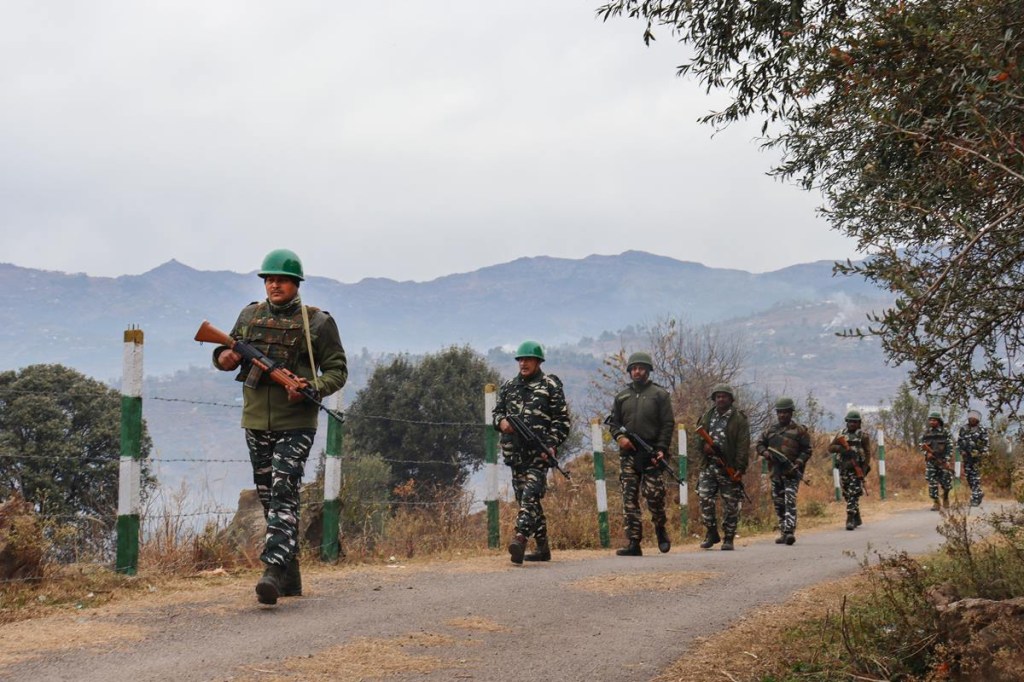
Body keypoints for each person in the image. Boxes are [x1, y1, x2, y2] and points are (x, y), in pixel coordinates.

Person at [213, 249, 348, 605]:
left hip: (297, 421)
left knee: (284, 487)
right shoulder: (249, 315)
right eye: (269, 279)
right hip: (256, 418)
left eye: (281, 279)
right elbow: (225, 352)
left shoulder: (317, 323)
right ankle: (291, 576)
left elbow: (337, 370)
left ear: (296, 284)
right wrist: (224, 359)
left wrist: (311, 388)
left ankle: (272, 570)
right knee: (270, 496)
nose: (274, 284)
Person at [492, 340, 570, 564]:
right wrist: (502, 422)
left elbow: (562, 421)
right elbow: (496, 414)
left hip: (539, 453)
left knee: (530, 495)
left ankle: (520, 538)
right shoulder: (509, 386)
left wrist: (552, 444)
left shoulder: (550, 386)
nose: (523, 363)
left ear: (538, 362)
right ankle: (543, 548)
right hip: (515, 453)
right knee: (526, 500)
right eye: (520, 359)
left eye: (528, 359)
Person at [608, 352, 675, 557]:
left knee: (654, 495)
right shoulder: (622, 396)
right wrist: (620, 437)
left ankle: (660, 530)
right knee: (629, 498)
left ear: (648, 370)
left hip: (652, 453)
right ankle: (633, 542)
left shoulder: (659, 395)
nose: (637, 371)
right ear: (629, 371)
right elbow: (613, 423)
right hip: (628, 454)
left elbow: (667, 424)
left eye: (641, 368)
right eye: (633, 368)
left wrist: (662, 448)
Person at [694, 383, 750, 551]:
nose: (721, 399)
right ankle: (711, 532)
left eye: (724, 396)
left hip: (728, 466)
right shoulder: (707, 416)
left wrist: (739, 467)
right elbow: (698, 439)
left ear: (731, 399)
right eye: (718, 396)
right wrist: (704, 447)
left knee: (731, 503)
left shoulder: (739, 419)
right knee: (704, 498)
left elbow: (743, 444)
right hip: (708, 466)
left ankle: (729, 538)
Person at [756, 397, 812, 545]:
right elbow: (760, 444)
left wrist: (799, 462)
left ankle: (789, 532)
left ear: (791, 413)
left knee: (790, 499)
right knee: (779, 502)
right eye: (780, 412)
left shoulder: (800, 431)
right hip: (775, 472)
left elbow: (807, 450)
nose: (782, 415)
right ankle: (783, 530)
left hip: (792, 473)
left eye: (785, 412)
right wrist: (765, 453)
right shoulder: (770, 430)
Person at [828, 410, 873, 531]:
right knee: (847, 494)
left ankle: (850, 519)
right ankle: (856, 515)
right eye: (850, 422)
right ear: (846, 422)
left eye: (855, 422)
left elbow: (868, 452)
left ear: (859, 423)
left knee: (853, 493)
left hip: (856, 468)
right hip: (844, 468)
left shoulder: (863, 436)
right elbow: (830, 448)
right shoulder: (841, 434)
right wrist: (843, 449)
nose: (852, 424)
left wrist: (863, 469)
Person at [920, 411, 953, 511]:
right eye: (930, 420)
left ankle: (946, 498)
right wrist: (927, 453)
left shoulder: (945, 432)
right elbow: (921, 446)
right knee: (932, 482)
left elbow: (950, 447)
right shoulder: (926, 433)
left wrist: (946, 459)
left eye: (934, 420)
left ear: (938, 421)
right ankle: (936, 502)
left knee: (946, 483)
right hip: (931, 462)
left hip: (942, 461)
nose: (931, 421)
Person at [957, 409, 989, 507]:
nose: (972, 419)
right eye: (971, 417)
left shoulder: (982, 429)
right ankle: (978, 493)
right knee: (969, 477)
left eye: (974, 417)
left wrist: (983, 453)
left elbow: (986, 443)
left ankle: (975, 498)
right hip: (966, 457)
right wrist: (961, 451)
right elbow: (959, 441)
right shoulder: (964, 428)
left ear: (978, 419)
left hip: (976, 458)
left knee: (975, 477)